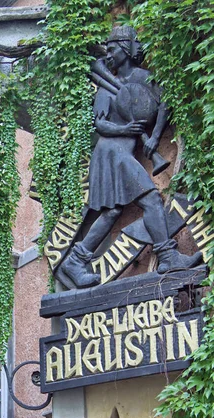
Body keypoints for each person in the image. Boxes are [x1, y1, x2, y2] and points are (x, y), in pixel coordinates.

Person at [61, 26, 201, 288]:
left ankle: (75, 261)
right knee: (149, 199)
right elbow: (100, 125)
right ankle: (168, 257)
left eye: (113, 48)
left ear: (126, 48)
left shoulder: (144, 78)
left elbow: (164, 104)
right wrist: (124, 129)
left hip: (123, 153)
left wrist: (155, 137)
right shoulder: (105, 88)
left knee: (112, 212)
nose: (110, 54)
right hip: (110, 152)